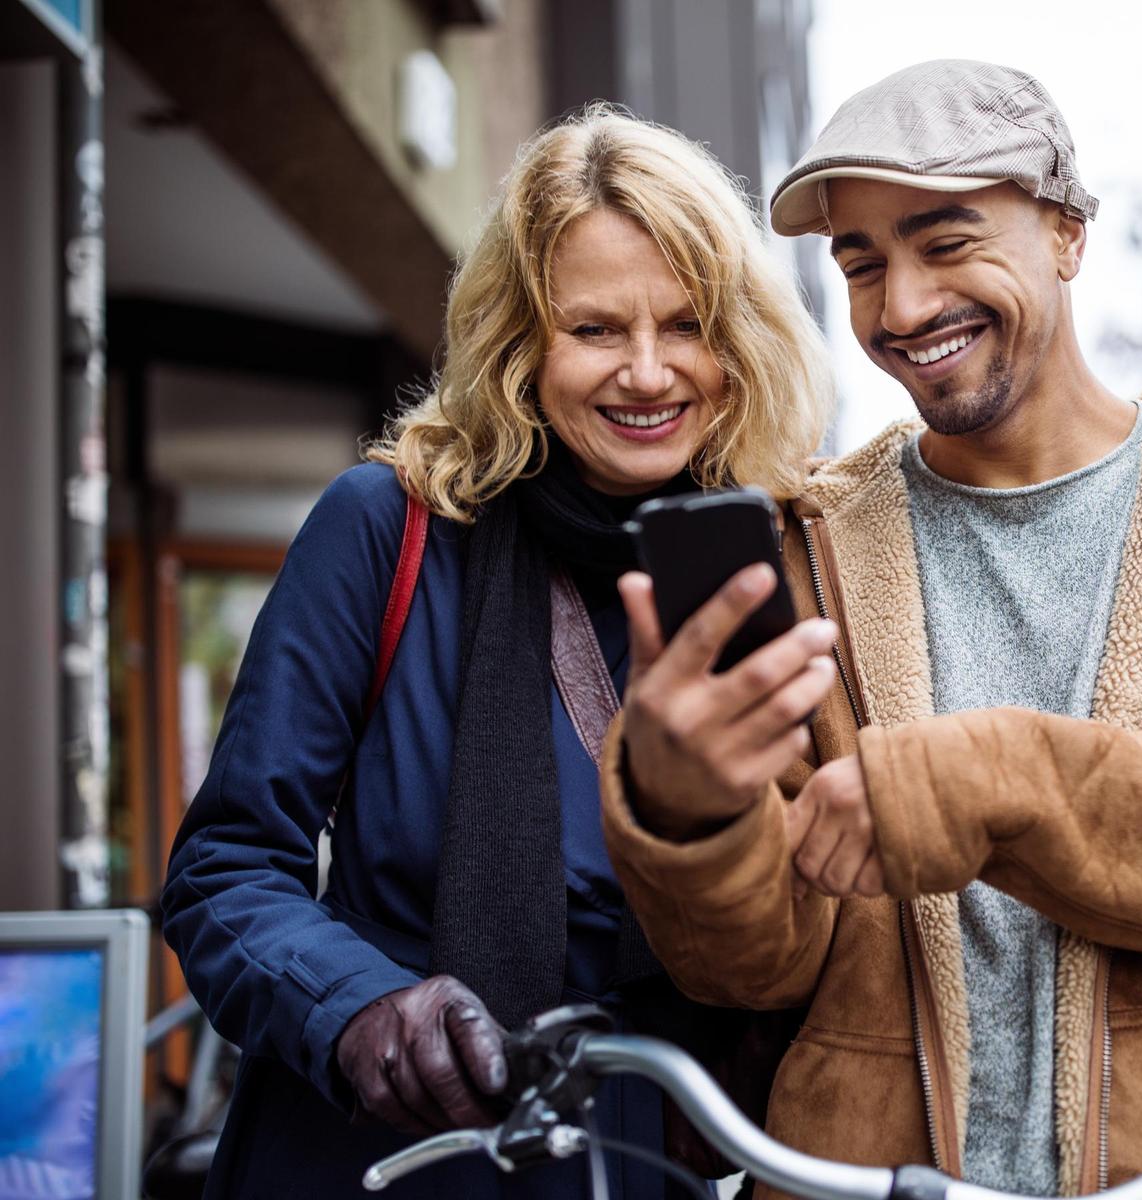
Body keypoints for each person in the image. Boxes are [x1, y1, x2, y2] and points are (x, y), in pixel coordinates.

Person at [601, 60, 1142, 1199]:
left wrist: (990, 782)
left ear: (1067, 232)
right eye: (861, 263)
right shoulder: (810, 537)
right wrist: (689, 811)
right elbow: (753, 968)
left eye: (945, 244)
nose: (900, 309)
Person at [160, 105, 833, 1199]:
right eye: (596, 329)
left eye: (686, 324)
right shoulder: (389, 525)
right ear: (521, 341)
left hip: (644, 1158)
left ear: (740, 339)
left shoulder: (780, 560)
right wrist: (360, 1006)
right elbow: (225, 868)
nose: (650, 373)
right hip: (382, 1150)